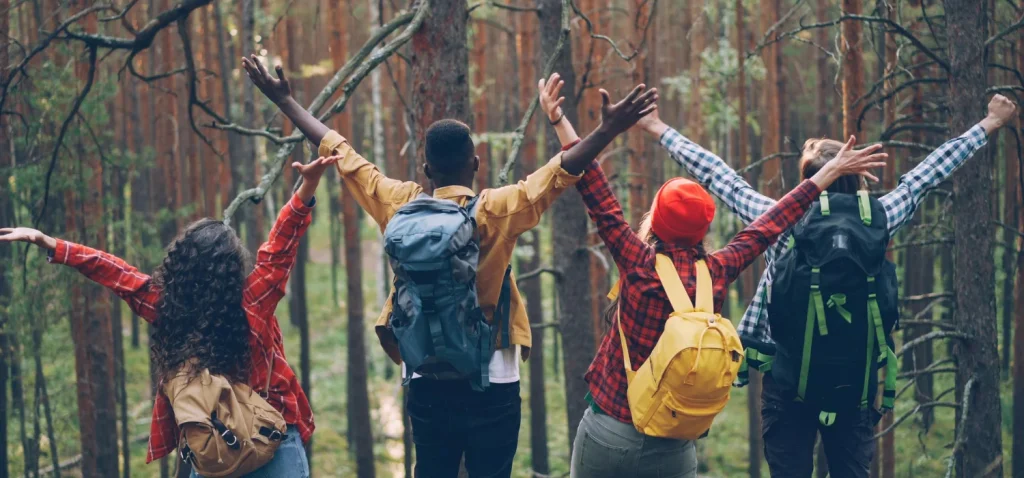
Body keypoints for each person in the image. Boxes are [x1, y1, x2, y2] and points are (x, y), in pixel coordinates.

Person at [243, 53, 657, 477]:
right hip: (493, 377)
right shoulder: (495, 210)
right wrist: (608, 128)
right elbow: (559, 172)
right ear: (475, 165)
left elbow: (341, 152)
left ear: (426, 169)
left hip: (424, 373)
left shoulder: (399, 202)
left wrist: (287, 103)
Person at [632, 94, 1018, 477]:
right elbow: (926, 175)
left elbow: (720, 177)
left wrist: (658, 128)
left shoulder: (780, 219)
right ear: (856, 176)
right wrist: (989, 123)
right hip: (854, 389)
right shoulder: (880, 218)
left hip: (787, 386)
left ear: (808, 180)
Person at [536, 78, 888, 478]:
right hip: (674, 444)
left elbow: (595, 188)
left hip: (609, 429)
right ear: (703, 230)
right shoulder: (718, 272)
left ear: (656, 218)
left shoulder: (637, 263)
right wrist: (823, 178)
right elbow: (774, 223)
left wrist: (560, 119)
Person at [0, 156, 339, 477]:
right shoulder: (253, 302)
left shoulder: (167, 308)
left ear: (181, 266)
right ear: (232, 269)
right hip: (273, 441)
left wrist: (55, 246)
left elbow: (116, 273)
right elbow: (279, 249)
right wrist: (307, 187)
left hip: (215, 447)